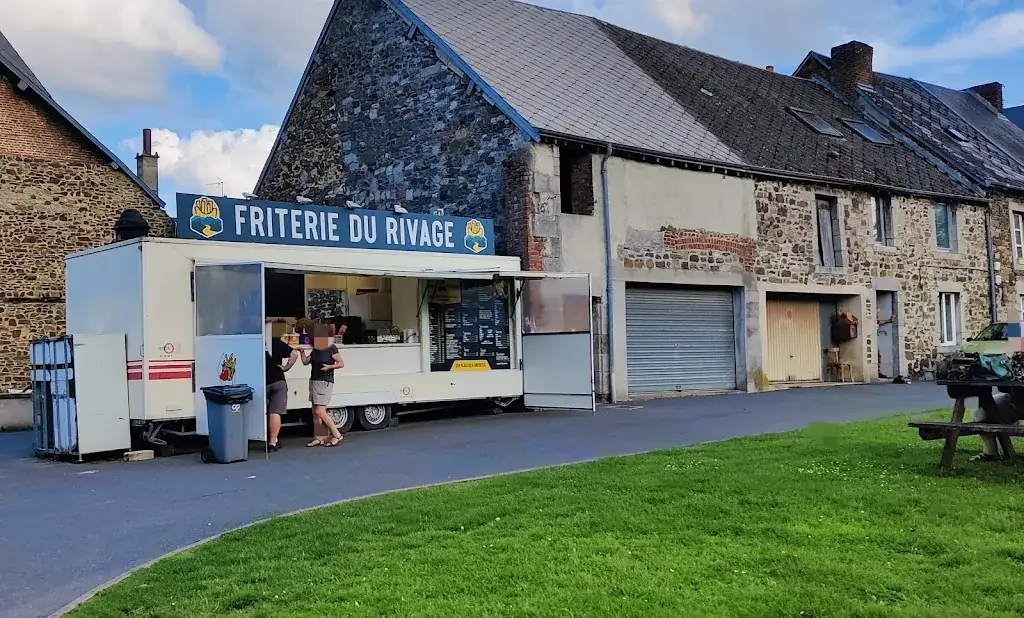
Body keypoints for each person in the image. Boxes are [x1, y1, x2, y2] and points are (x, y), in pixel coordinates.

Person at [302, 323, 345, 447]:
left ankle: (337, 434)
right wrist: (301, 352)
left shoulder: (331, 348)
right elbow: (305, 362)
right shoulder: (316, 349)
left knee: (320, 411)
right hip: (314, 380)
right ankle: (319, 437)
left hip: (325, 381)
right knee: (315, 412)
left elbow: (341, 363)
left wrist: (329, 367)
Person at [266, 326, 300, 452]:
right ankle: (272, 442)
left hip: (261, 381)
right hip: (278, 380)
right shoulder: (276, 342)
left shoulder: (253, 343)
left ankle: (260, 436)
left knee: (263, 411)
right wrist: (286, 368)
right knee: (275, 412)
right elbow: (294, 353)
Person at [971, 389, 1024, 461]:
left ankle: (1005, 450)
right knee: (980, 409)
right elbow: (1003, 387)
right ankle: (990, 453)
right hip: (1013, 399)